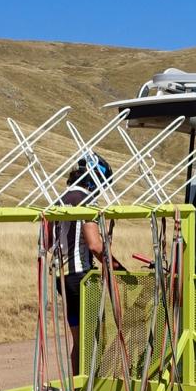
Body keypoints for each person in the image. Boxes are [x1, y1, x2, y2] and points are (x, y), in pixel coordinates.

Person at [56, 156, 117, 376]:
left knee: (79, 340)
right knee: (91, 339)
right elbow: (94, 244)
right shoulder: (87, 201)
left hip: (62, 276)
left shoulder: (59, 200)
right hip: (81, 276)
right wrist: (114, 264)